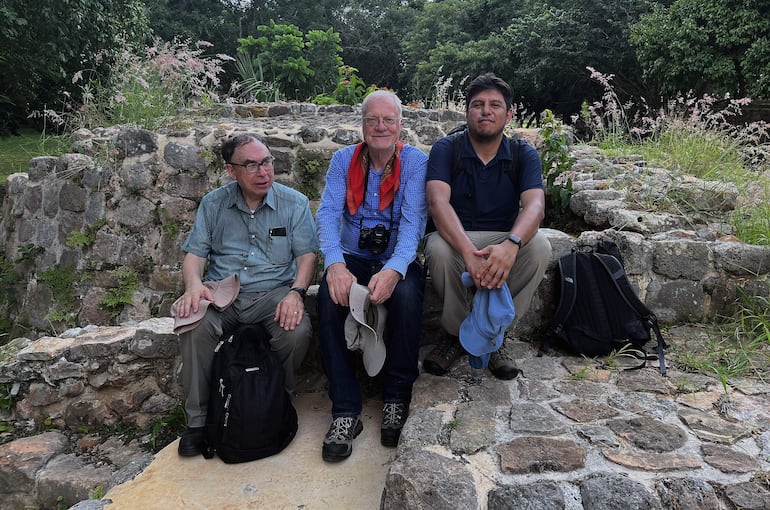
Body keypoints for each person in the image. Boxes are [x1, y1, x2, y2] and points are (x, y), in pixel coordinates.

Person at [174, 134, 318, 457]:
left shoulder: (293, 203)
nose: (263, 171)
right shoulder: (214, 203)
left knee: (297, 330)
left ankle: (273, 402)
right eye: (251, 164)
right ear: (231, 171)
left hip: (272, 294)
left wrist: (296, 293)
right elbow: (195, 255)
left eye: (266, 161)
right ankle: (197, 422)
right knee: (194, 325)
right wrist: (194, 286)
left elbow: (307, 257)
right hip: (224, 293)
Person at [315, 90, 427, 462]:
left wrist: (395, 269)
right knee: (327, 299)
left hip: (397, 256)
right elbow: (328, 214)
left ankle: (397, 396)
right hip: (352, 256)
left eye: (388, 120)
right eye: (372, 120)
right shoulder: (342, 160)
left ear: (400, 124)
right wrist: (334, 264)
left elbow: (413, 224)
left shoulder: (414, 162)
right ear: (361, 123)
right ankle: (346, 409)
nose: (380, 127)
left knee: (409, 296)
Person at [423, 72, 552, 380]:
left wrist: (511, 245)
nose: (485, 110)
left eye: (495, 105)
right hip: (457, 236)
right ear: (467, 111)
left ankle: (495, 337)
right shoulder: (447, 149)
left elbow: (535, 205)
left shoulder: (523, 154)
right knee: (438, 249)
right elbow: (438, 203)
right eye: (477, 104)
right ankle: (455, 336)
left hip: (501, 237)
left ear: (508, 114)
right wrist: (468, 251)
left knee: (540, 248)